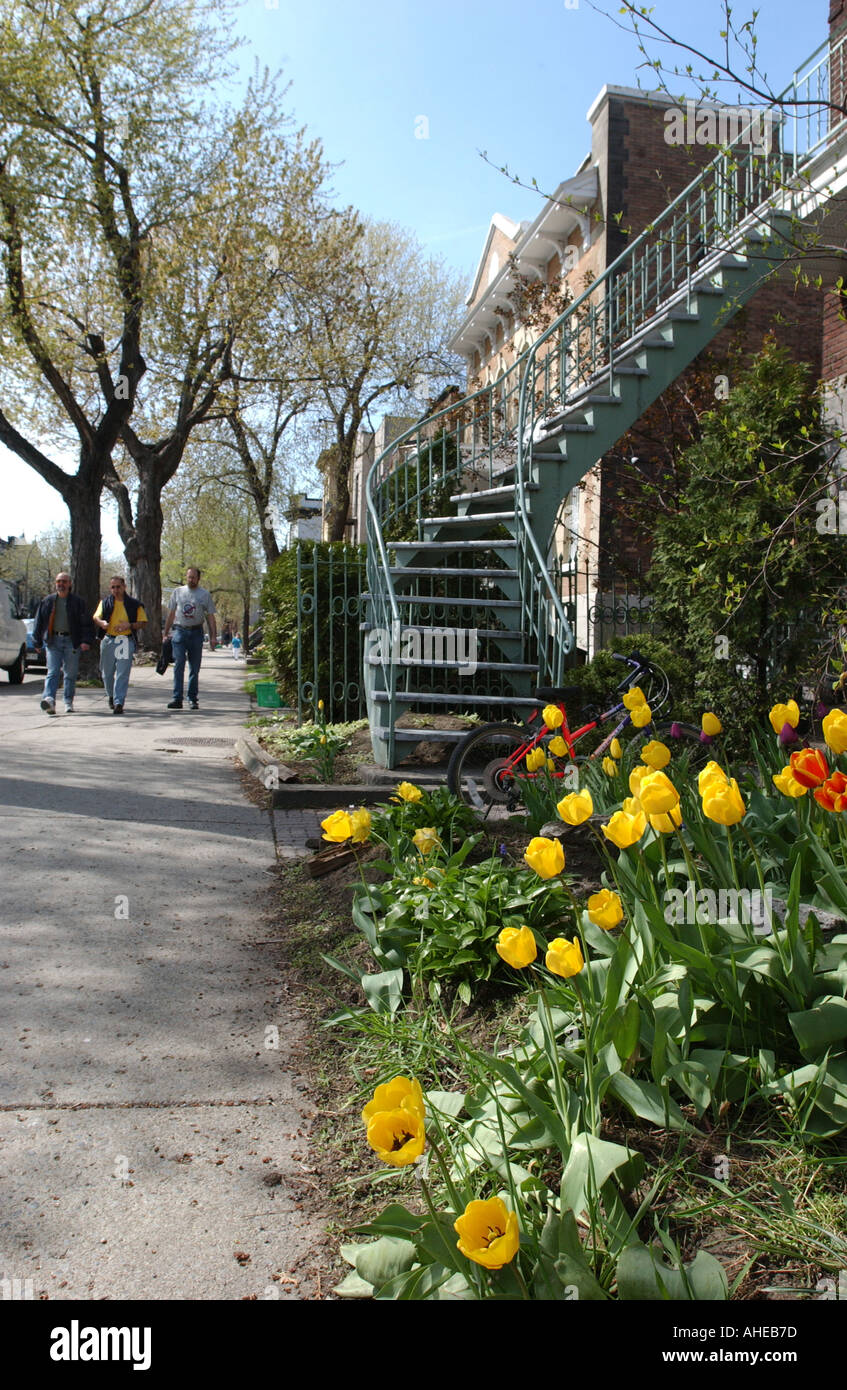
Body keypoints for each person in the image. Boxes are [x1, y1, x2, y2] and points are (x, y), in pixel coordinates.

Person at [32, 572, 94, 715]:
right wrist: (37, 641)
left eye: (64, 581)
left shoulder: (78, 602)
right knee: (52, 672)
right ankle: (49, 700)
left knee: (70, 674)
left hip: (72, 642)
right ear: (56, 584)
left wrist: (86, 641)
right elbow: (39, 621)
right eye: (59, 581)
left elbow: (86, 623)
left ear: (70, 584)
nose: (61, 584)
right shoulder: (47, 601)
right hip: (53, 641)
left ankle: (68, 701)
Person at [163, 566, 217, 710]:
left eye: (193, 577)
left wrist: (213, 636)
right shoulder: (178, 592)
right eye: (189, 577)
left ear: (198, 579)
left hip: (196, 632)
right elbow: (171, 613)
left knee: (194, 667)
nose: (190, 579)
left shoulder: (204, 595)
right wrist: (165, 632)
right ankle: (177, 698)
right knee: (179, 664)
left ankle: (192, 698)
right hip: (180, 631)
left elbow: (211, 617)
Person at [93, 576, 148, 715]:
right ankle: (111, 695)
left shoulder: (134, 604)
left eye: (118, 587)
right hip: (108, 640)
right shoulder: (105, 603)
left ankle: (119, 702)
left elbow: (143, 622)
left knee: (122, 673)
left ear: (124, 587)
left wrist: (129, 625)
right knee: (107, 674)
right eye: (113, 587)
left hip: (124, 640)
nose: (116, 590)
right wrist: (102, 623)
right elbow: (96, 617)